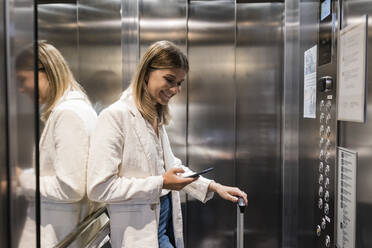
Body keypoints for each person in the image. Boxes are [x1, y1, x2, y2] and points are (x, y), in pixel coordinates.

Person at [87, 40, 248, 248]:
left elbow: (170, 167)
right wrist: (161, 183)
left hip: (164, 227)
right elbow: (99, 188)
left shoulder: (154, 116)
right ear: (146, 72)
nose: (175, 89)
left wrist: (213, 186)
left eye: (180, 83)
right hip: (139, 234)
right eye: (169, 80)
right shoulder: (115, 116)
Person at [17, 41, 97, 247]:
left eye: (23, 79)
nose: (21, 88)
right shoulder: (73, 109)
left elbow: (71, 188)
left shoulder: (68, 113)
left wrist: (23, 179)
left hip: (58, 232)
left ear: (44, 71)